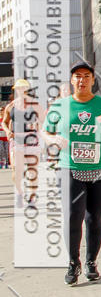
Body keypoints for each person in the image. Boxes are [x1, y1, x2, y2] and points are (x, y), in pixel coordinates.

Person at [41, 62, 101, 286]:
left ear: (92, 80)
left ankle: (91, 261)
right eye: (77, 76)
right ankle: (73, 262)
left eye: (86, 76)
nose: (82, 80)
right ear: (72, 80)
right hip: (70, 168)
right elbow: (45, 131)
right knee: (73, 216)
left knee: (94, 218)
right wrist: (53, 140)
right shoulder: (60, 106)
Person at [2, 79, 41, 207]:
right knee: (16, 170)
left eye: (24, 88)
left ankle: (32, 197)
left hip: (31, 141)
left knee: (32, 170)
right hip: (17, 140)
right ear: (16, 90)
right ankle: (19, 192)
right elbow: (4, 121)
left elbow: (44, 120)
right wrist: (7, 131)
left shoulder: (34, 105)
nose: (21, 91)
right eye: (19, 88)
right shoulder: (11, 106)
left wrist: (38, 129)